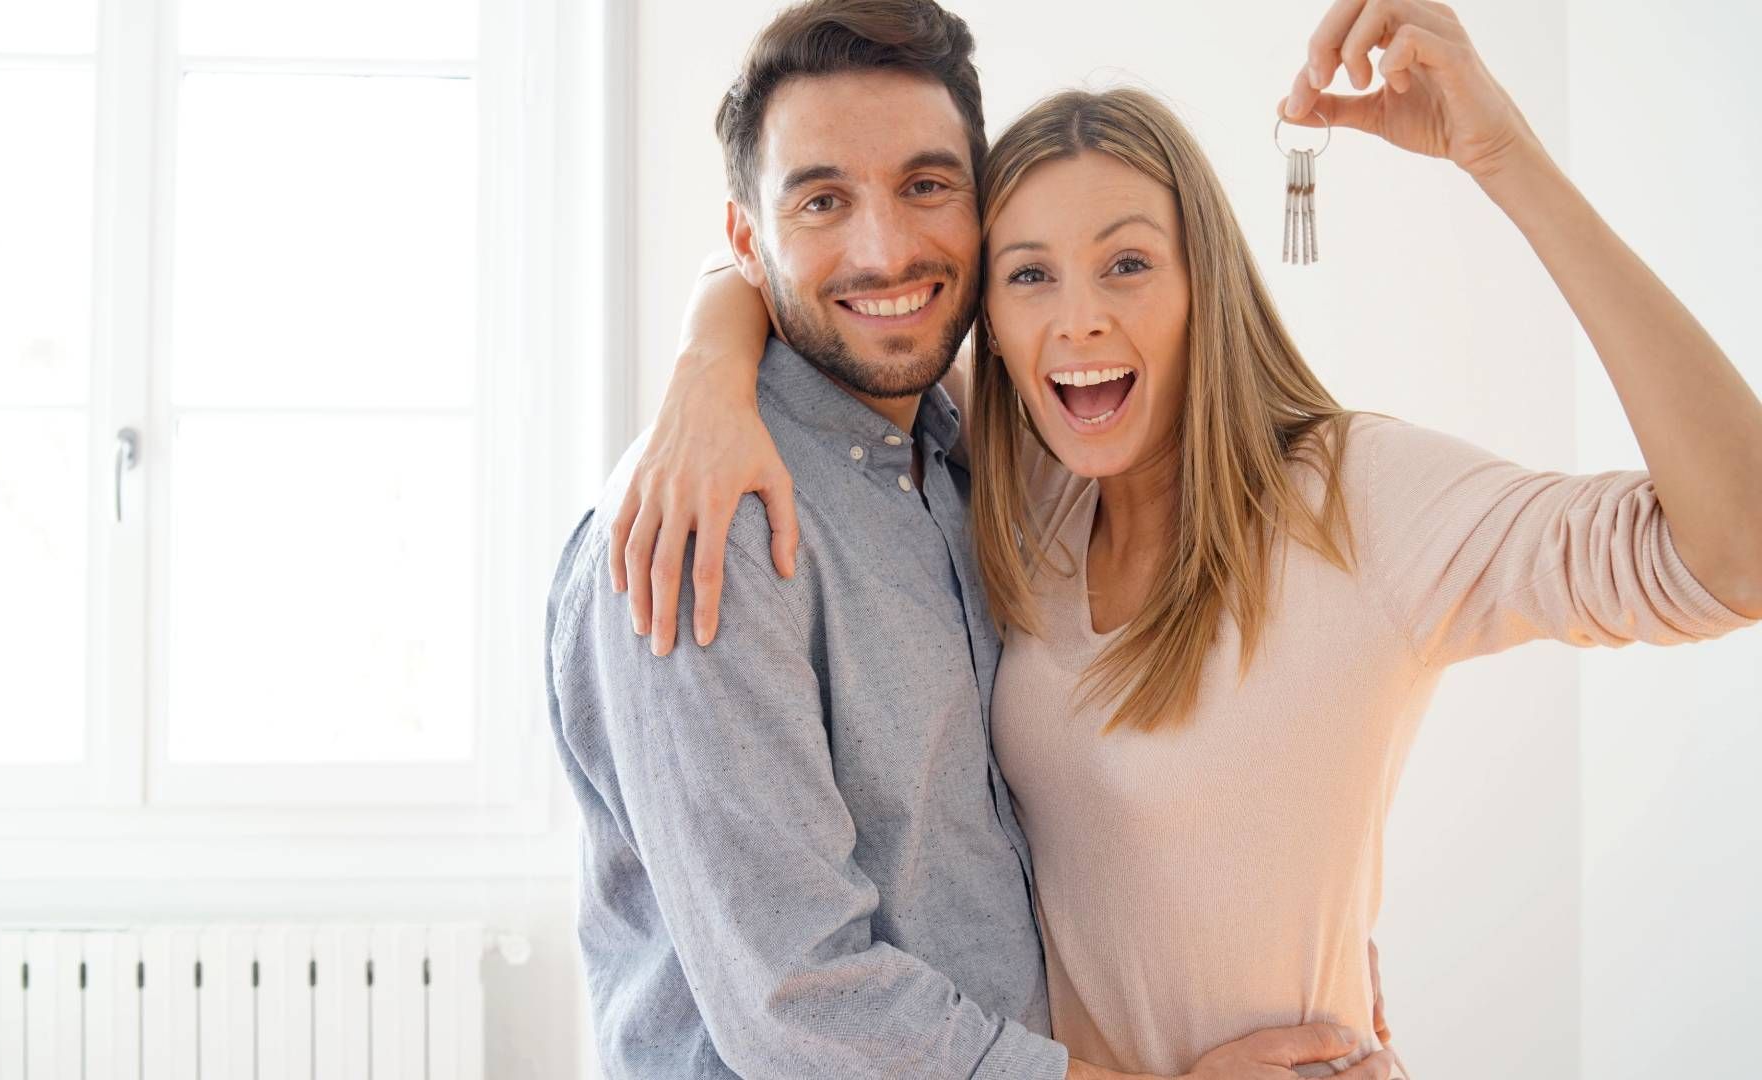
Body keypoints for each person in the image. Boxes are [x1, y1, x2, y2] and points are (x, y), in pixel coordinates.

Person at [614, 1, 1762, 1076]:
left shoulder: (1354, 496)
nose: (1080, 320)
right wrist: (709, 363)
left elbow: (1736, 557)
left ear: (1204, 280)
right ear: (993, 323)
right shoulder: (1022, 497)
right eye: (1030, 277)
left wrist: (1506, 158)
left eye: (1128, 262)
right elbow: (846, 280)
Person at [547, 1, 1401, 1077]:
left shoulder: (972, 455)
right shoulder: (702, 521)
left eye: (926, 185)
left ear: (985, 212)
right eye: (821, 199)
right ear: (746, 239)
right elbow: (803, 1005)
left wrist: (1297, 963)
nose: (886, 247)